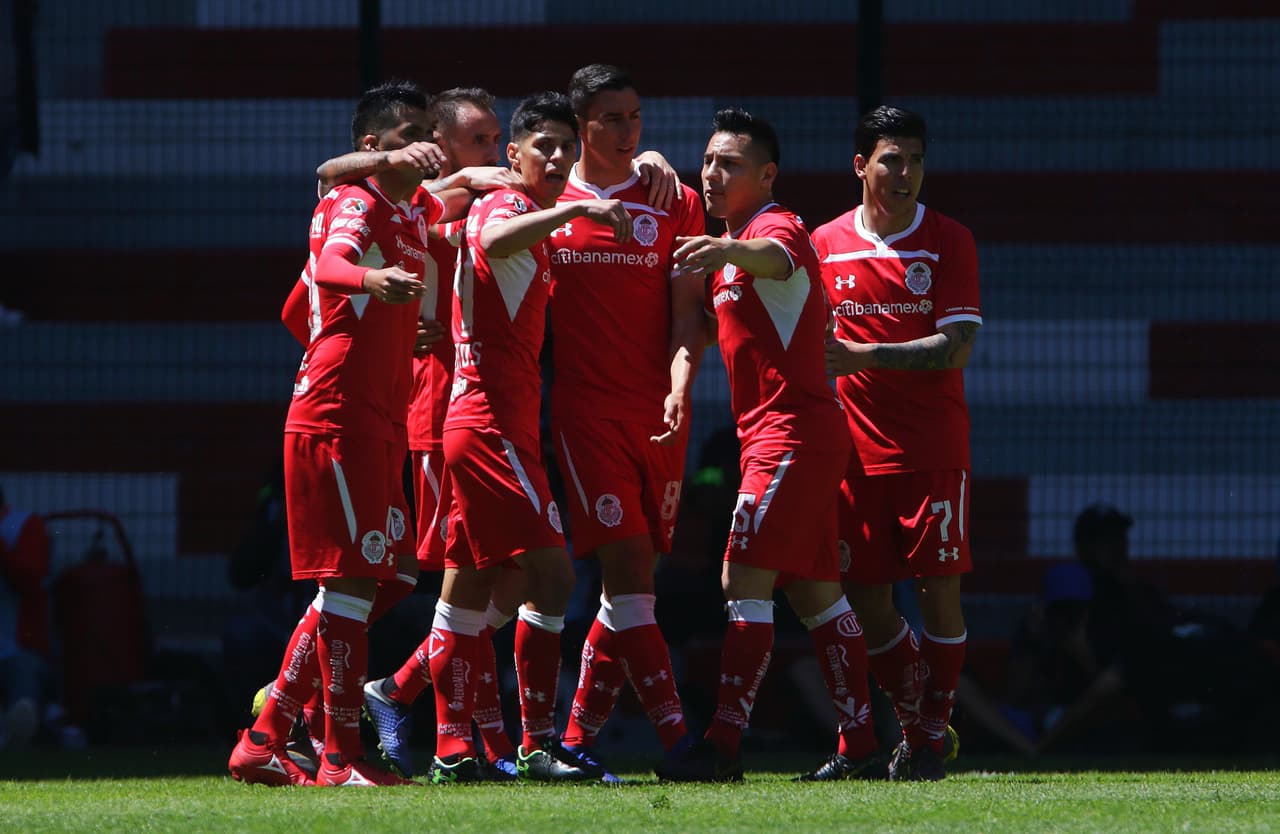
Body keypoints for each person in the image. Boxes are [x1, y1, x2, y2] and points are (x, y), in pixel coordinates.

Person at [653, 108, 882, 783]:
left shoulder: (772, 229)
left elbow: (778, 256)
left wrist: (725, 249)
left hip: (792, 437)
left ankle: (722, 746)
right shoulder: (724, 241)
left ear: (767, 175)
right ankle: (862, 748)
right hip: (779, 438)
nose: (713, 173)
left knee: (741, 579)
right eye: (709, 160)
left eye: (731, 164)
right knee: (817, 596)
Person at [228, 79, 444, 787]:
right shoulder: (355, 201)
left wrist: (378, 332)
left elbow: (301, 309)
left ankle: (268, 728)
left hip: (379, 416)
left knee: (394, 576)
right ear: (371, 147)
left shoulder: (410, 216)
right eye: (409, 129)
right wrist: (368, 286)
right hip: (337, 417)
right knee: (353, 582)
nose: (424, 140)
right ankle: (339, 757)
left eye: (427, 128)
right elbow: (326, 268)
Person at [422, 91, 634, 784]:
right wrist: (573, 206)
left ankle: (452, 744)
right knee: (553, 573)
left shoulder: (512, 210)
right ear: (513, 156)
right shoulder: (509, 208)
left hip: (493, 423)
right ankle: (536, 745)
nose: (557, 156)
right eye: (542, 145)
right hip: (488, 425)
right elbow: (488, 239)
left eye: (566, 148)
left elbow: (454, 238)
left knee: (476, 584)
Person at [814, 105, 982, 781]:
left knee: (939, 594)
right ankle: (923, 721)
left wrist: (866, 356)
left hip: (933, 450)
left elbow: (957, 345)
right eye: (891, 158)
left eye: (914, 158)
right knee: (867, 600)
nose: (904, 171)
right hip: (853, 455)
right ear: (861, 165)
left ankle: (929, 743)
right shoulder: (823, 242)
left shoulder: (948, 240)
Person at [549, 63, 707, 779]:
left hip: (660, 416)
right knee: (630, 571)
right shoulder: (546, 198)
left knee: (630, 589)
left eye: (636, 117)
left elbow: (687, 319)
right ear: (583, 126)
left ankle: (573, 741)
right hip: (584, 416)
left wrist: (679, 388)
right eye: (613, 118)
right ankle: (681, 742)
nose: (630, 130)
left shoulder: (671, 196)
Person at [0, 486, 49, 748]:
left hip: (17, 646)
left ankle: (18, 726)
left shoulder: (24, 526)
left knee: (24, 683)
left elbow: (29, 578)